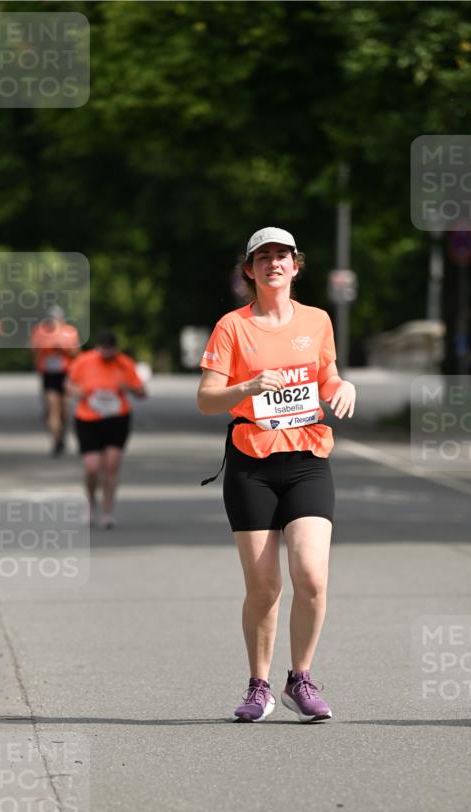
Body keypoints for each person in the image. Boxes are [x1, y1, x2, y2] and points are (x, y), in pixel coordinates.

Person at [197, 227, 356, 723]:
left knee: (311, 575)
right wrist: (246, 384)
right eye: (262, 257)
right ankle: (259, 686)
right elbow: (207, 399)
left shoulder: (317, 319)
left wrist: (341, 383)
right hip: (252, 463)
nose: (274, 263)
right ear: (249, 270)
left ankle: (300, 678)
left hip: (307, 456)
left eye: (282, 255)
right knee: (264, 588)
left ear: (296, 264)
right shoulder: (232, 327)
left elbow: (324, 373)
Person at [66, 329, 147, 528]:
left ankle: (107, 509)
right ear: (98, 347)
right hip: (88, 419)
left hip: (116, 419)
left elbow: (142, 392)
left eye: (110, 351)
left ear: (115, 349)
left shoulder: (124, 363)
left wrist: (129, 388)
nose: (107, 355)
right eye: (103, 350)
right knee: (92, 467)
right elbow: (68, 384)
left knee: (111, 465)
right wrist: (78, 391)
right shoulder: (84, 361)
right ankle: (91, 502)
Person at [31, 305, 81, 455]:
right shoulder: (40, 331)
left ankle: (64, 434)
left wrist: (63, 349)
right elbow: (33, 350)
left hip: (66, 374)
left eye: (56, 318)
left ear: (61, 318)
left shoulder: (70, 332)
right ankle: (56, 441)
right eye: (51, 319)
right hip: (49, 374)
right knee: (53, 408)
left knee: (65, 410)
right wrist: (46, 349)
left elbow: (76, 353)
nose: (53, 322)